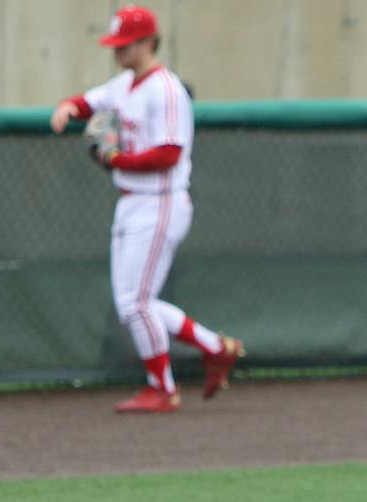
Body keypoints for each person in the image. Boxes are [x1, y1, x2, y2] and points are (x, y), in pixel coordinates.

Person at [49, 6, 242, 413]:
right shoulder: (123, 85)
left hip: (161, 202)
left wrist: (116, 160)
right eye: (116, 44)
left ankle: (162, 388)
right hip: (132, 202)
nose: (118, 51)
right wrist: (69, 106)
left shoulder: (166, 89)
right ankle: (215, 347)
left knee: (136, 303)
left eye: (126, 44)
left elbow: (170, 153)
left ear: (148, 42)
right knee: (134, 303)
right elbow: (90, 101)